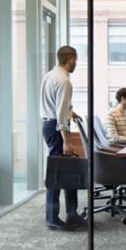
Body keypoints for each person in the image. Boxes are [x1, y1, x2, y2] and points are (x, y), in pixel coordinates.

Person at [40, 45, 86, 231]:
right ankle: (52, 218)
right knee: (57, 175)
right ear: (71, 59)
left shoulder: (51, 75)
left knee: (67, 172)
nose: (77, 63)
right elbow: (60, 116)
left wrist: (71, 112)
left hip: (48, 125)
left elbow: (56, 104)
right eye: (76, 59)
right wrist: (67, 141)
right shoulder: (65, 81)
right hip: (56, 128)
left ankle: (72, 214)